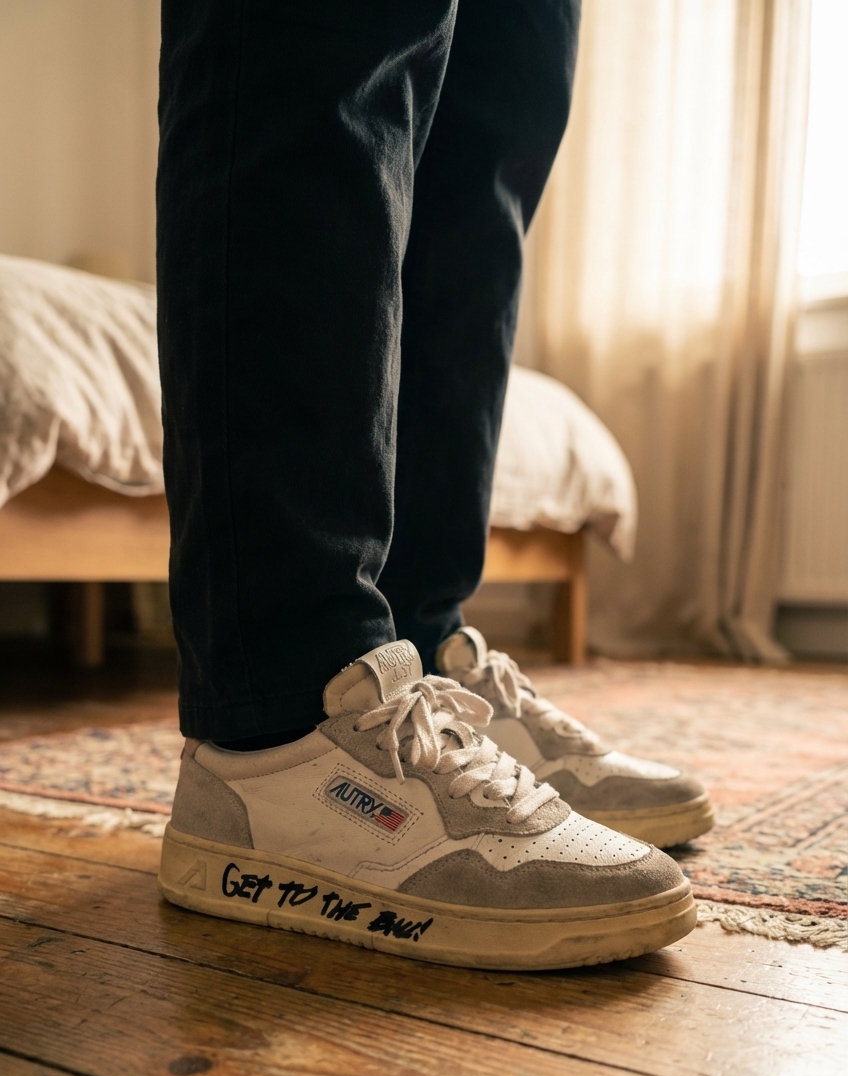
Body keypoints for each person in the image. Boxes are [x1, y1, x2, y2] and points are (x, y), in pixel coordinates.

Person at [156, 0, 709, 969]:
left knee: (495, 102)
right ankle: (281, 714)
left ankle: (410, 641)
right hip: (271, 707)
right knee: (327, 48)